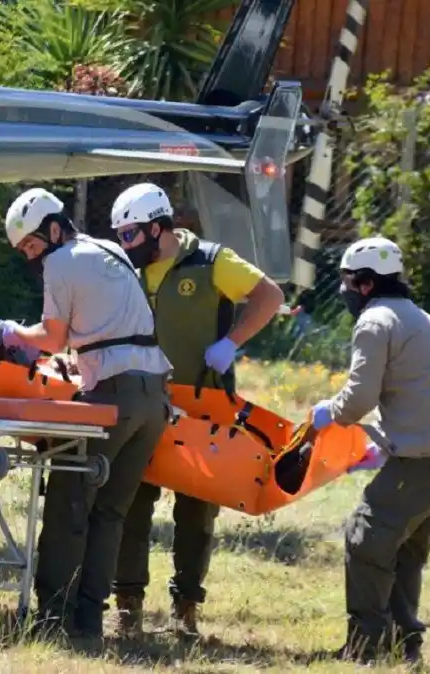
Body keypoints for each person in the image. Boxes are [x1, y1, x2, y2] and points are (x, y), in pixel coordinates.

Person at [106, 182, 285, 638]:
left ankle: (186, 608)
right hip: (146, 400)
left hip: (205, 404)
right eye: (121, 236)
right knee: (131, 503)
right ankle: (128, 604)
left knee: (196, 512)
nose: (124, 244)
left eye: (130, 234)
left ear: (158, 227)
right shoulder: (127, 270)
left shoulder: (212, 261)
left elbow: (269, 297)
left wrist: (231, 342)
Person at [307, 236, 430, 665]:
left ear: (367, 284)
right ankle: (402, 644)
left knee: (366, 535)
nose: (344, 290)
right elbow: (418, 394)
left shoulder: (375, 321)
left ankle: (366, 646)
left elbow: (358, 399)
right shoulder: (419, 317)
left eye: (348, 281)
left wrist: (328, 412)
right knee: (404, 544)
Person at [0, 187, 172, 640]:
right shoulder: (110, 248)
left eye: (33, 246)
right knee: (110, 513)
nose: (32, 258)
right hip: (154, 398)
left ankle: (52, 618)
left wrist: (9, 332)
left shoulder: (60, 262)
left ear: (54, 229)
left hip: (113, 397)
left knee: (68, 503)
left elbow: (52, 340)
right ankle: (89, 621)